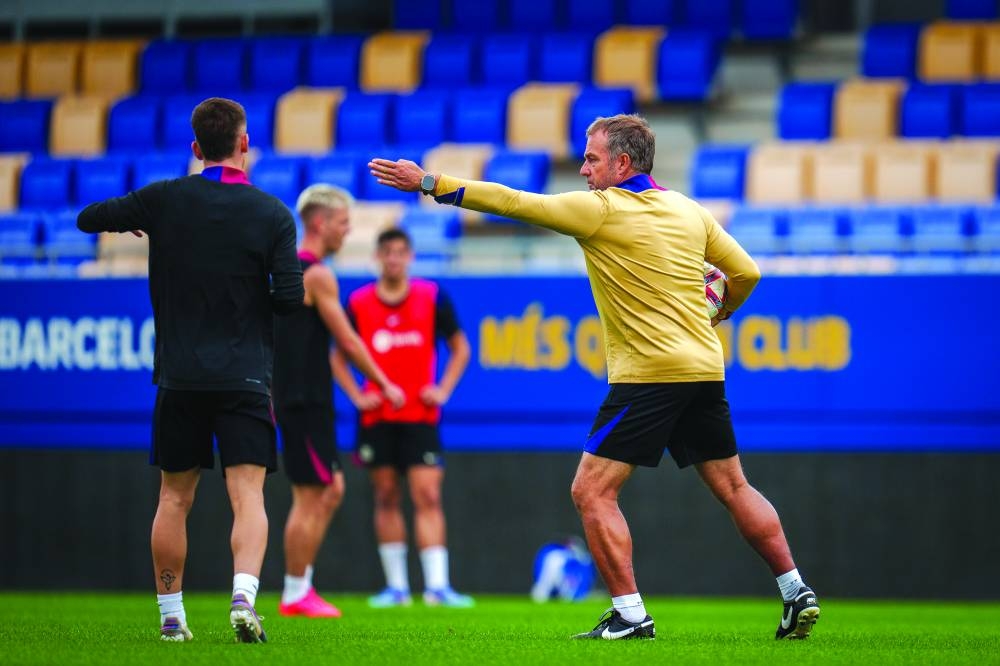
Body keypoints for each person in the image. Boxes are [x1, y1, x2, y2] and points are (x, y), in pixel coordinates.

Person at [368, 114, 820, 640]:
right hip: (703, 368)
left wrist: (429, 182)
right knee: (735, 485)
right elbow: (746, 273)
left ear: (622, 164)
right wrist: (717, 312)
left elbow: (516, 203)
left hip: (650, 374)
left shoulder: (602, 210)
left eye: (592, 159)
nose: (584, 169)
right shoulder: (688, 210)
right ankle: (795, 590)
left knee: (591, 491)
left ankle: (630, 614)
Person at [77, 98, 303, 643]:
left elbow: (89, 218)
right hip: (246, 374)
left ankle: (172, 614)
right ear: (244, 144)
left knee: (173, 498)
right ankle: (243, 598)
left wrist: (138, 222)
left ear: (196, 148)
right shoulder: (273, 213)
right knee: (248, 497)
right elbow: (291, 299)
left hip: (179, 376)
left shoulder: (164, 200)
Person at [272, 184, 405, 618]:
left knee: (326, 490)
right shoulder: (316, 273)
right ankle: (295, 592)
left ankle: (299, 588)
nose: (347, 232)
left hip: (300, 396)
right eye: (343, 223)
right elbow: (347, 340)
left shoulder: (288, 268)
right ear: (319, 223)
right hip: (303, 399)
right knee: (317, 492)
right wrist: (384, 384)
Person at [330, 228, 474, 608]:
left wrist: (442, 390)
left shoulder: (431, 296)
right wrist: (357, 396)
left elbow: (460, 348)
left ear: (409, 257)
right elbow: (338, 356)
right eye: (387, 252)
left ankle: (437, 587)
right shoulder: (359, 303)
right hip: (378, 418)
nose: (393, 259)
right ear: (377, 257)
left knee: (427, 495)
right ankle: (396, 588)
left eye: (400, 252)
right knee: (386, 495)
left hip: (420, 416)